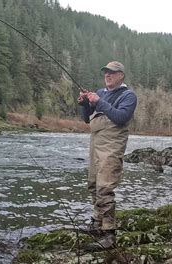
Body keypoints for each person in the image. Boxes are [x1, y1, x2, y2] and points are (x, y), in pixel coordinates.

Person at [77, 61, 137, 251]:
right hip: (95, 141)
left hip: (112, 144)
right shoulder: (100, 92)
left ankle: (109, 234)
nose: (107, 75)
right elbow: (87, 118)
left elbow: (120, 118)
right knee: (93, 184)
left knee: (105, 186)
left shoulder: (128, 95)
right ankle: (97, 222)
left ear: (121, 76)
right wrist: (85, 104)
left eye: (112, 72)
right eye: (105, 72)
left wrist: (98, 102)